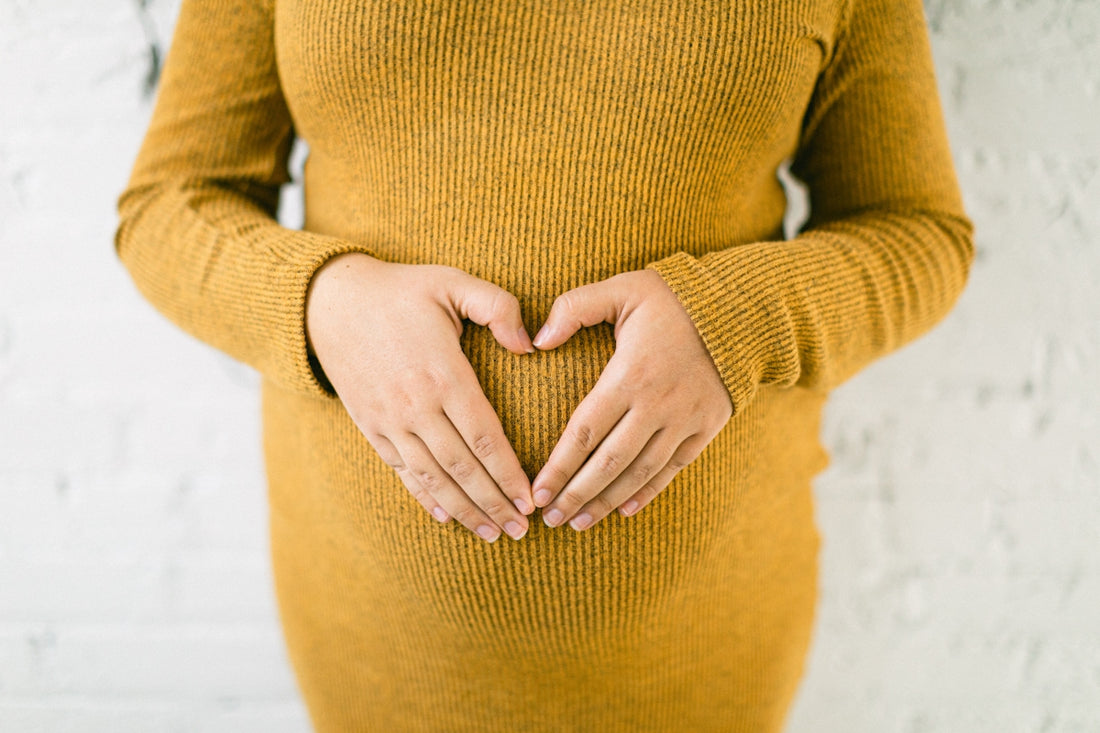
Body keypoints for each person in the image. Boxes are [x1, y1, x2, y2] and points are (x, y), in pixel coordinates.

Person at [114, 0, 973, 730]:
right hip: (374, 634)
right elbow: (171, 202)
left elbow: (915, 227)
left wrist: (742, 318)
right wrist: (321, 302)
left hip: (706, 635)